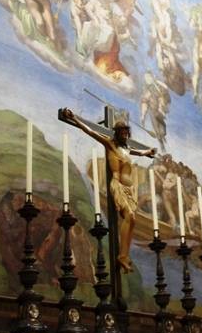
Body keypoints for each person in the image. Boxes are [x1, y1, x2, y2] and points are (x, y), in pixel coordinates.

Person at [59, 108, 156, 273]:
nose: (125, 134)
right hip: (118, 186)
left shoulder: (127, 149)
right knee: (129, 216)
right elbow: (90, 131)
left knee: (132, 220)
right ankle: (122, 256)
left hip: (130, 190)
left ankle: (124, 255)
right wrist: (75, 118)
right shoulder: (110, 144)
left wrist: (149, 152)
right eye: (122, 132)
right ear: (116, 133)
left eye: (126, 132)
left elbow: (140, 153)